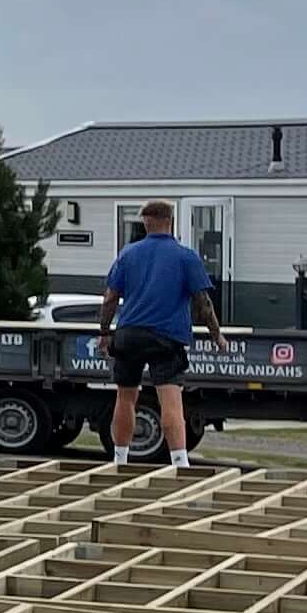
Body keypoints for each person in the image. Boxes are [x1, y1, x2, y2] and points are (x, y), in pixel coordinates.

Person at [94, 200, 223, 468]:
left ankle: (120, 459)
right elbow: (204, 303)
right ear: (170, 220)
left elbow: (109, 299)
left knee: (126, 397)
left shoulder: (128, 254)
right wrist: (216, 335)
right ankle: (179, 462)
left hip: (129, 334)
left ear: (146, 222)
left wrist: (105, 332)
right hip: (166, 337)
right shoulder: (186, 257)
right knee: (170, 400)